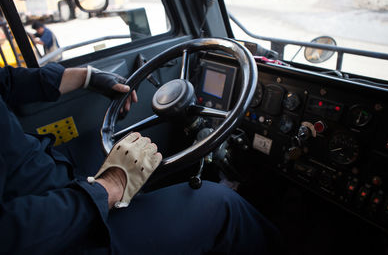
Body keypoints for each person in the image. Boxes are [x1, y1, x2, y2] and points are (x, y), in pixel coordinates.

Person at [0, 62, 281, 254]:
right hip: (55, 235)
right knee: (221, 203)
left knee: (97, 144)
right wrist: (109, 187)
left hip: (42, 178)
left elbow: (7, 82)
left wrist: (88, 76)